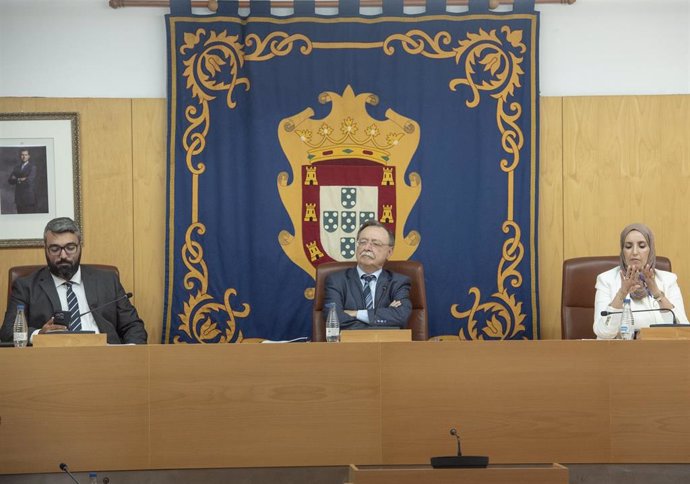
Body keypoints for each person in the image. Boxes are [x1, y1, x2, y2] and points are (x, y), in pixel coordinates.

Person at [0, 217, 148, 345]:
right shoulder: (26, 286)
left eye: (70, 247)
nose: (63, 255)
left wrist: (129, 353)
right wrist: (39, 335)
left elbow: (133, 326)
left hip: (105, 357)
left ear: (79, 247)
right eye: (55, 248)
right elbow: (7, 333)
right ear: (45, 249)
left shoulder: (107, 281)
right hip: (52, 362)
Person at [593, 223, 688, 339]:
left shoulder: (668, 280)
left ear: (651, 250)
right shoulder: (606, 280)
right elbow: (603, 333)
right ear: (622, 251)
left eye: (642, 246)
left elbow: (683, 331)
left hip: (658, 352)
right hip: (618, 353)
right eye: (628, 246)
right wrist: (622, 293)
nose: (634, 252)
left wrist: (656, 292)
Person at [324, 219, 412, 330]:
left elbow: (401, 316)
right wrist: (385, 322)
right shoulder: (336, 281)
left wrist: (356, 314)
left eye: (375, 244)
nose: (367, 248)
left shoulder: (398, 283)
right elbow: (334, 319)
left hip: (387, 346)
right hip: (348, 346)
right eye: (363, 242)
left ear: (389, 252)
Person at [7, 149, 37, 213]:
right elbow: (10, 180)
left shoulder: (32, 167)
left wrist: (17, 178)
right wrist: (20, 179)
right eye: (22, 155)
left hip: (28, 198)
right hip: (19, 199)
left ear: (29, 156)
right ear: (20, 156)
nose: (24, 157)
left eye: (26, 155)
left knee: (28, 219)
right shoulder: (16, 167)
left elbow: (29, 181)